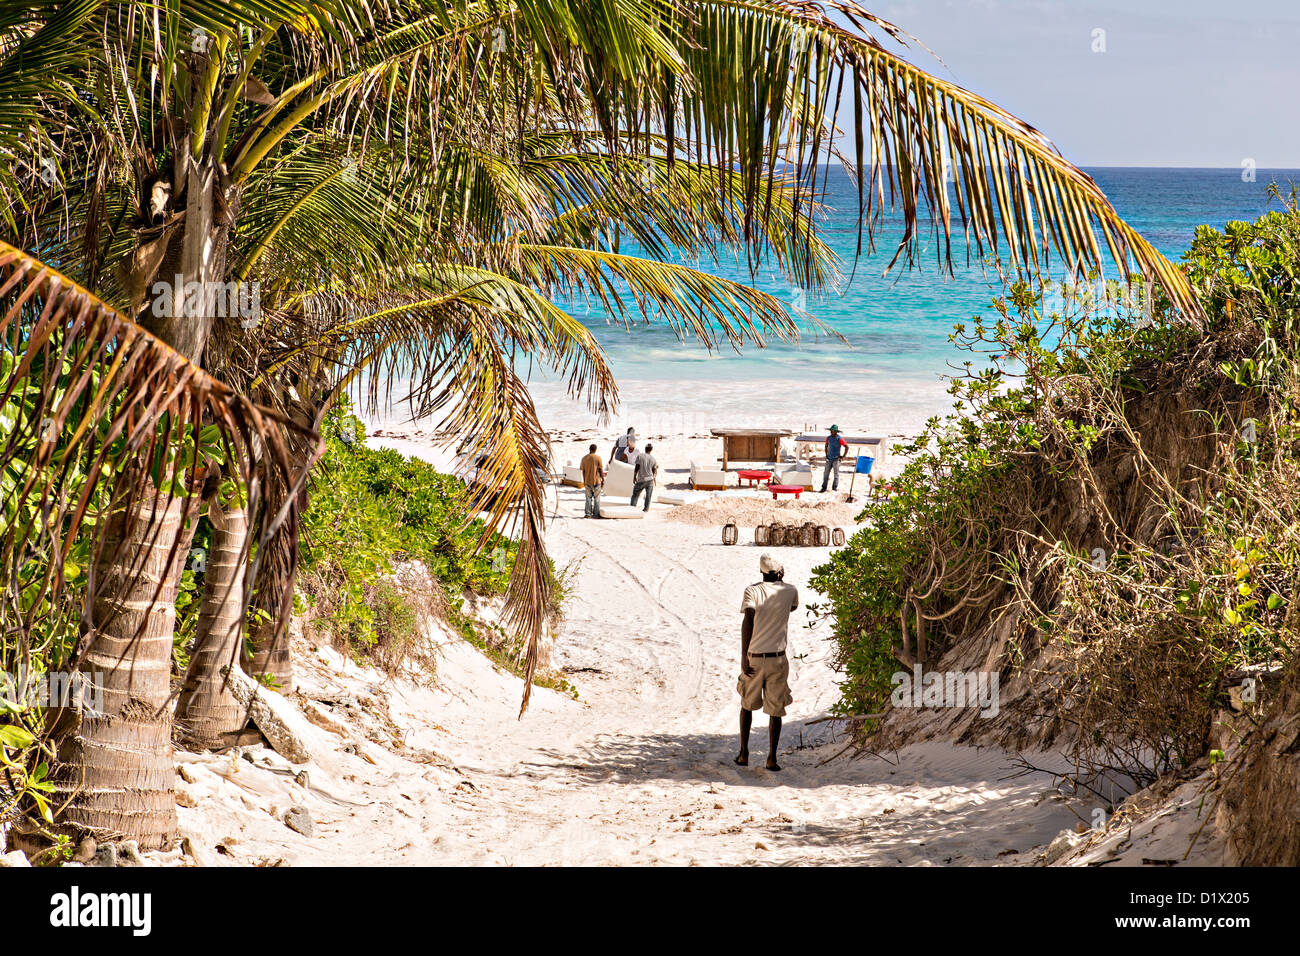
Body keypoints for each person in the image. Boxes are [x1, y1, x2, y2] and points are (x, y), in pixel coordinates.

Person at [735, 554, 799, 771]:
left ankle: (744, 753)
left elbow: (748, 619)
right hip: (778, 659)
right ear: (780, 573)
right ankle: (771, 758)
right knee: (776, 710)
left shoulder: (752, 591)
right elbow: (792, 607)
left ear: (762, 573)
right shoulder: (790, 591)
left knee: (747, 706)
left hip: (754, 658)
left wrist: (744, 655)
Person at [820, 423, 848, 493]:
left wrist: (843, 456)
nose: (831, 432)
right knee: (826, 474)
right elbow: (826, 446)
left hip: (836, 459)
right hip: (829, 459)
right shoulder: (828, 438)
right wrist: (826, 454)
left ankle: (834, 488)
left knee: (836, 474)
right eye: (831, 430)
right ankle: (823, 488)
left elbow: (847, 447)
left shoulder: (840, 438)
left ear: (836, 432)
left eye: (833, 431)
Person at [580, 443, 605, 518]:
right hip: (597, 481)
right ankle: (596, 514)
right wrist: (603, 479)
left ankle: (588, 514)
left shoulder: (584, 458)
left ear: (589, 449)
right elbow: (600, 470)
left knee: (588, 499)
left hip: (587, 481)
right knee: (597, 499)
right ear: (595, 449)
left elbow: (583, 471)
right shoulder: (598, 458)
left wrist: (584, 480)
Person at [630, 443, 658, 511]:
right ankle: (646, 509)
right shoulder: (653, 459)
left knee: (635, 494)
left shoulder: (640, 456)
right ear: (651, 450)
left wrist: (634, 477)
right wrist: (654, 479)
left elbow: (637, 467)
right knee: (648, 496)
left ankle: (632, 508)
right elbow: (654, 471)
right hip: (650, 480)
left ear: (645, 449)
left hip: (641, 479)